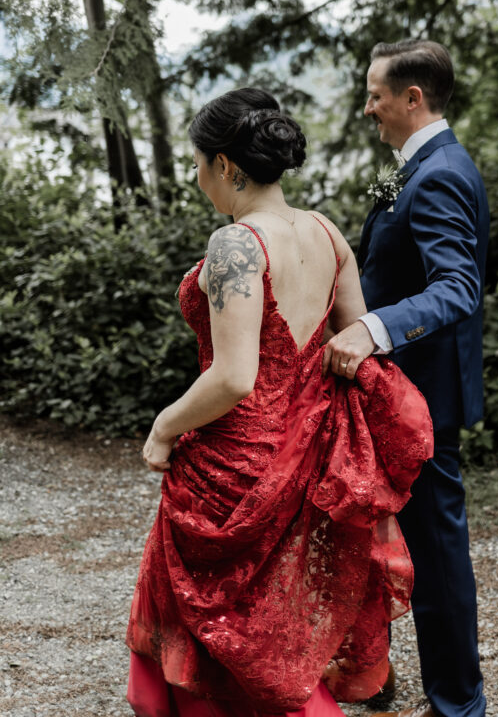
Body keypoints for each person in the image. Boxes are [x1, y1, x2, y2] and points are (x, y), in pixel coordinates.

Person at [126, 87, 434, 717]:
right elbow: (355, 340)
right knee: (273, 612)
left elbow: (235, 377)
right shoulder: (327, 232)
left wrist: (163, 426)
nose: (195, 176)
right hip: (305, 450)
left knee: (221, 612)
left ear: (225, 164)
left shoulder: (236, 244)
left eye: (196, 163)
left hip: (235, 459)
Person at [323, 41, 489, 717]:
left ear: (411, 98)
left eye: (375, 94)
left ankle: (458, 708)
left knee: (436, 555)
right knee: (386, 540)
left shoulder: (440, 173)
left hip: (422, 394)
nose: (368, 107)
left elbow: (458, 287)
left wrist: (371, 329)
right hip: (399, 390)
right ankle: (373, 674)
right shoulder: (423, 166)